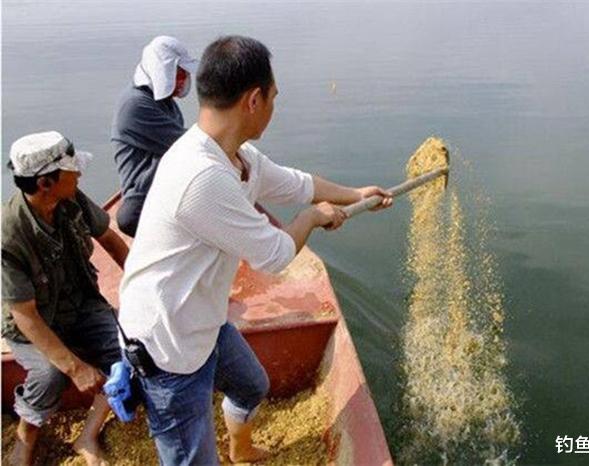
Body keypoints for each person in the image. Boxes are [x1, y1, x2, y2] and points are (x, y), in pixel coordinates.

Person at [118, 35, 393, 465]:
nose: (274, 106)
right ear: (253, 100)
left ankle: (240, 449)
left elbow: (296, 184)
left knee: (251, 385)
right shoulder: (201, 176)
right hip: (167, 344)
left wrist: (355, 194)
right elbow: (276, 254)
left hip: (201, 319)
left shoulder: (235, 155)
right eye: (274, 97)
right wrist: (311, 218)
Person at [1, 131, 129, 466]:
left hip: (81, 305)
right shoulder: (9, 235)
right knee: (49, 375)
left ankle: (88, 435)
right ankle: (26, 440)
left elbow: (110, 239)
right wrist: (75, 367)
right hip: (36, 323)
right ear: (45, 183)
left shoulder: (70, 198)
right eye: (72, 170)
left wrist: (142, 291)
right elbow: (25, 315)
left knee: (128, 351)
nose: (80, 174)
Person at [111, 36, 198, 237]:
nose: (184, 80)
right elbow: (187, 146)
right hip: (144, 198)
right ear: (162, 71)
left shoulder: (164, 102)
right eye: (179, 73)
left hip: (166, 185)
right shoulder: (136, 105)